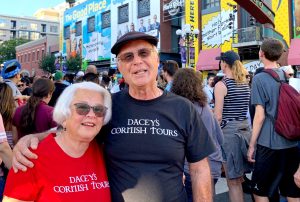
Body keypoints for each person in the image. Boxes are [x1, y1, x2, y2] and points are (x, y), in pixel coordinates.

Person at [12, 31, 215, 202]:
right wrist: (34, 138)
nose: (137, 61)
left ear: (156, 59)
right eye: (128, 57)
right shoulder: (106, 106)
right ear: (120, 66)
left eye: (144, 53)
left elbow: (199, 169)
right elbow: (72, 130)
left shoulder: (183, 108)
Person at [4, 82, 112, 202]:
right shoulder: (29, 158)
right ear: (64, 114)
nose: (92, 115)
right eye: (82, 107)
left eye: (99, 109)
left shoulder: (106, 152)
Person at [247, 38, 300, 201]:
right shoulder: (287, 75)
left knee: (259, 191)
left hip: (268, 143)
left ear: (261, 53)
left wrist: (251, 145)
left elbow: (260, 115)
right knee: (292, 191)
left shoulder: (259, 78)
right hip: (291, 141)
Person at [171, 68, 224, 200]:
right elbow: (220, 138)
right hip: (214, 166)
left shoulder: (179, 108)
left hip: (191, 169)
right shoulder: (205, 107)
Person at [214, 50, 252, 202]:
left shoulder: (221, 85)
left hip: (229, 134)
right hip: (244, 131)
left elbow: (218, 116)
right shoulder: (244, 84)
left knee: (233, 181)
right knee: (239, 178)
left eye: (221, 61)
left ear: (224, 64)